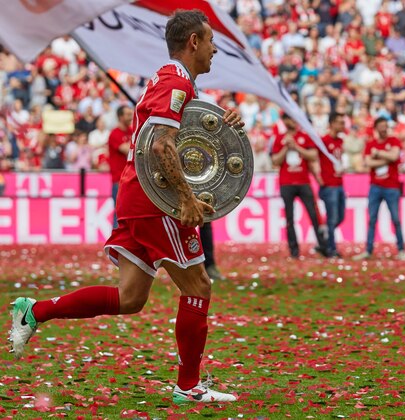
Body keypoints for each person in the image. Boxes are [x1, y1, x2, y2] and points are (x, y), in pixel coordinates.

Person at [10, 10, 242, 404]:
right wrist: (185, 199)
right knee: (199, 286)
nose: (215, 49)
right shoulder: (175, 81)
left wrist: (220, 124)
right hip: (156, 201)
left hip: (138, 195)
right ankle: (188, 387)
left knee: (130, 297)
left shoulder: (170, 80)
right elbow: (161, 146)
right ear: (194, 42)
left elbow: (179, 139)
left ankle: (35, 311)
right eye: (210, 40)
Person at [270, 114, 328, 258]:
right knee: (289, 218)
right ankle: (294, 251)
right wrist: (286, 147)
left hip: (303, 181)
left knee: (314, 215)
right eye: (290, 119)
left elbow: (313, 155)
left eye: (295, 119)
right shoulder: (279, 138)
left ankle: (323, 246)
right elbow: (275, 160)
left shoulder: (304, 136)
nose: (294, 122)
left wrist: (295, 147)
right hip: (286, 183)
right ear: (285, 121)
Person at [354, 117, 405, 261]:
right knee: (372, 219)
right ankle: (368, 250)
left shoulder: (393, 141)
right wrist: (387, 158)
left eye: (386, 126)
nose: (384, 129)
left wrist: (377, 154)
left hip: (392, 186)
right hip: (375, 186)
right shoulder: (370, 144)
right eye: (381, 126)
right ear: (376, 128)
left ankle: (401, 249)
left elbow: (395, 155)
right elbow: (368, 162)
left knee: (396, 219)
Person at [318, 113, 346, 257]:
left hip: (339, 183)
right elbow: (314, 159)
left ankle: (323, 237)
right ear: (332, 123)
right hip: (329, 185)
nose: (343, 125)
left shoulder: (340, 141)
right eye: (340, 122)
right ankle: (331, 249)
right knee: (332, 218)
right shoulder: (323, 141)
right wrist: (318, 178)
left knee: (340, 217)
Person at [108, 105, 133, 229]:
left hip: (130, 179)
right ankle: (116, 242)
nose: (131, 117)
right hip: (119, 180)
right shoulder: (115, 134)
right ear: (120, 117)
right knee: (119, 213)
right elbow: (128, 150)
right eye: (128, 114)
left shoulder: (132, 131)